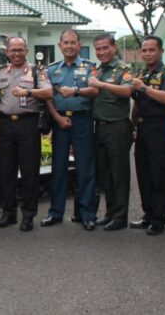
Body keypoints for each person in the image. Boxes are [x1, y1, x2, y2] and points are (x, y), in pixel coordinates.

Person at [0, 37, 52, 231]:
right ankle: (8, 213)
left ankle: (28, 215)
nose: (16, 54)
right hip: (5, 125)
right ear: (7, 52)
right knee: (5, 172)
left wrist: (29, 93)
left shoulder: (37, 71)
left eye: (20, 50)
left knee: (29, 173)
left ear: (26, 51)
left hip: (28, 125)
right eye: (13, 50)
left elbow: (49, 92)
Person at [42, 29, 99, 230]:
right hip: (60, 123)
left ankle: (87, 214)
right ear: (59, 46)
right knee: (58, 169)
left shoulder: (90, 67)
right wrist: (57, 118)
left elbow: (95, 90)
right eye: (65, 43)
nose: (69, 46)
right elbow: (47, 95)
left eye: (72, 43)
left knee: (85, 169)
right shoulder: (51, 70)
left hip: (82, 121)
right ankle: (55, 212)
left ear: (79, 44)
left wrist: (75, 90)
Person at [129, 36, 165, 236]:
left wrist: (144, 88)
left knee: (160, 174)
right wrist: (132, 127)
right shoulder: (141, 73)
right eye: (144, 50)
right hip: (142, 128)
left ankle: (159, 219)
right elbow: (137, 104)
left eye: (152, 50)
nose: (147, 53)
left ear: (161, 51)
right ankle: (148, 214)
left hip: (160, 129)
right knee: (144, 173)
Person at [88, 34, 134, 231]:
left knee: (119, 174)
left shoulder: (124, 69)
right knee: (105, 174)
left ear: (114, 48)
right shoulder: (96, 70)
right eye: (98, 49)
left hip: (118, 127)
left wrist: (101, 85)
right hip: (100, 127)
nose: (101, 52)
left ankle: (120, 217)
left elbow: (127, 91)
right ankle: (109, 213)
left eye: (105, 48)